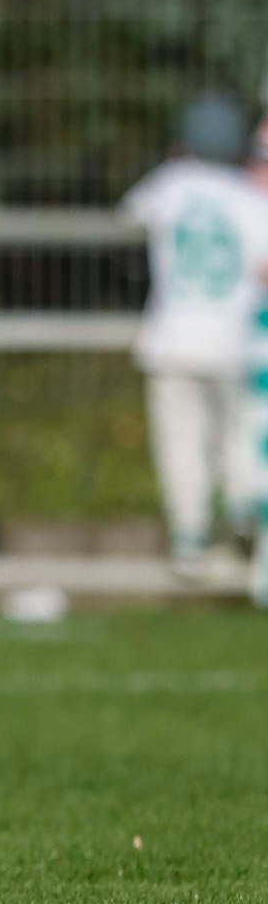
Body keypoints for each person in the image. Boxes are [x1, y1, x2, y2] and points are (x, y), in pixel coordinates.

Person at [122, 92, 268, 567]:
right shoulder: (247, 197)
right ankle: (243, 504)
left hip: (171, 341)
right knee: (237, 432)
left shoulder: (170, 183)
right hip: (231, 343)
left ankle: (190, 536)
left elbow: (132, 213)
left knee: (180, 440)